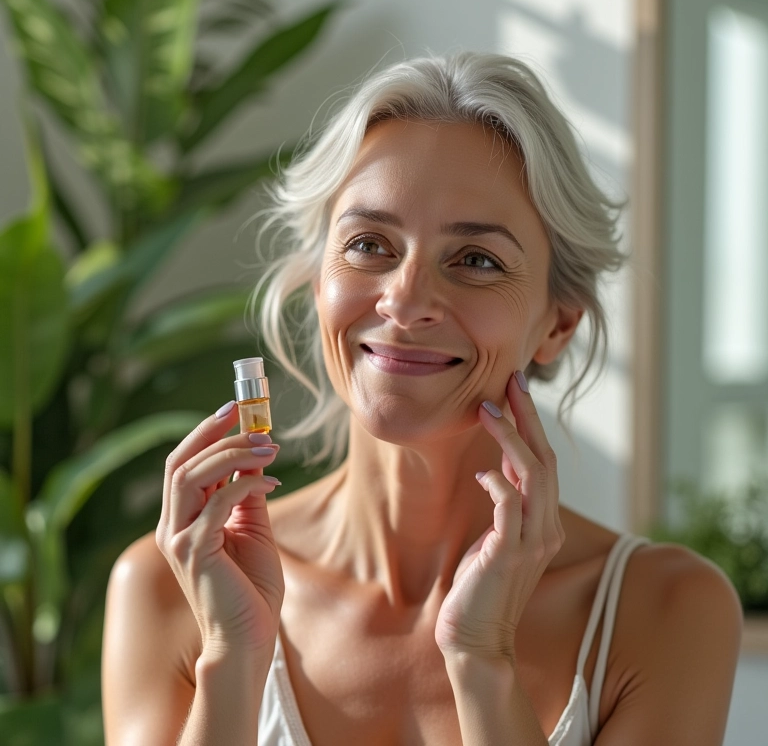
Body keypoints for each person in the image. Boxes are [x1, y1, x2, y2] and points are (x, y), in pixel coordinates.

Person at [101, 52, 743, 745]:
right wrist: (232, 659)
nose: (404, 301)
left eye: (476, 260)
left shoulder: (668, 611)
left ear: (557, 325)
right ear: (319, 285)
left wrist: (483, 658)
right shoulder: (170, 586)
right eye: (370, 244)